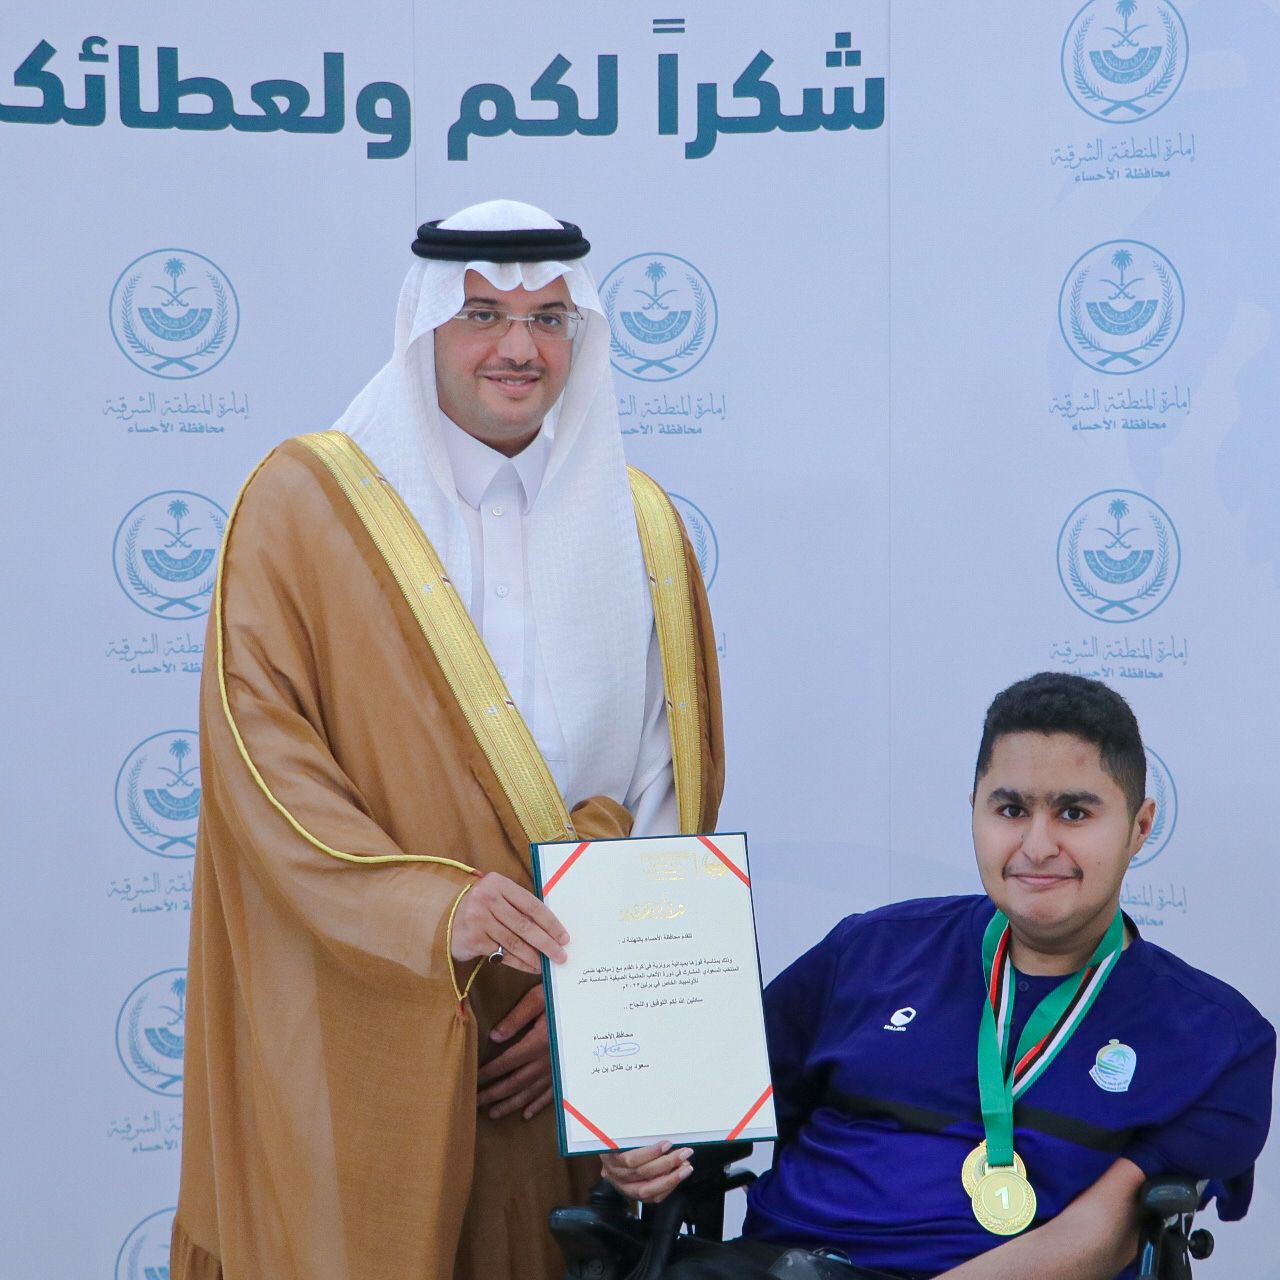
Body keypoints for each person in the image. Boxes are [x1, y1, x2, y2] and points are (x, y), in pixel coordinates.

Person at [171, 199, 724, 1280]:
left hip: (559, 1043)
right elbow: (262, 764)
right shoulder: (301, 507)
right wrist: (435, 914)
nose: (519, 347)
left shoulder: (643, 526)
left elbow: (670, 789)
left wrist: (596, 1009)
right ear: (425, 324)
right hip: (364, 997)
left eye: (549, 318)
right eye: (482, 315)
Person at [604, 673, 1274, 1280]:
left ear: (1139, 826)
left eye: (1074, 813)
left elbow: (1100, 1239)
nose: (1038, 845)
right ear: (974, 810)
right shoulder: (869, 951)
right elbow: (697, 1100)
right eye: (1010, 810)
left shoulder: (1217, 1040)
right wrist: (642, 1152)